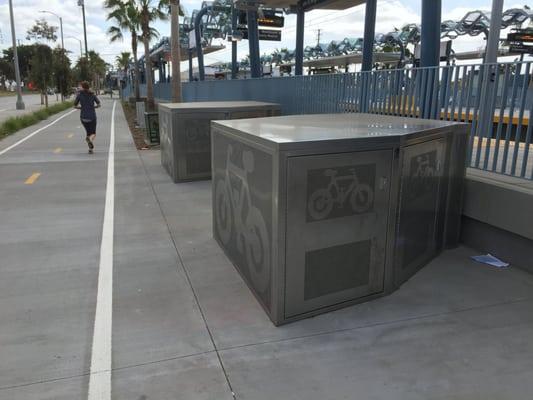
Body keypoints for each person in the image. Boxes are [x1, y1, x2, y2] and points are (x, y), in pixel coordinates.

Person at [74, 81, 101, 154]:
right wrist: (93, 106)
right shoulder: (92, 94)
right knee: (93, 133)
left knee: (88, 132)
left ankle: (90, 149)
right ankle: (90, 140)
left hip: (83, 117)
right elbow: (99, 104)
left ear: (83, 87)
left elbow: (75, 106)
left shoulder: (79, 95)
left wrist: (81, 108)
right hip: (92, 117)